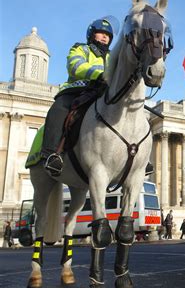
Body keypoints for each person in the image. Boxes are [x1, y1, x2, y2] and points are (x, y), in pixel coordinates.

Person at [41, 16, 153, 176]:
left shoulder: (111, 56)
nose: (105, 36)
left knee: (134, 113)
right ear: (92, 34)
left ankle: (141, 158)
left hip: (103, 92)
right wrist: (101, 74)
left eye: (107, 35)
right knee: (59, 109)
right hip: (79, 89)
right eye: (101, 33)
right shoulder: (80, 49)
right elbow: (75, 66)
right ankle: (52, 154)